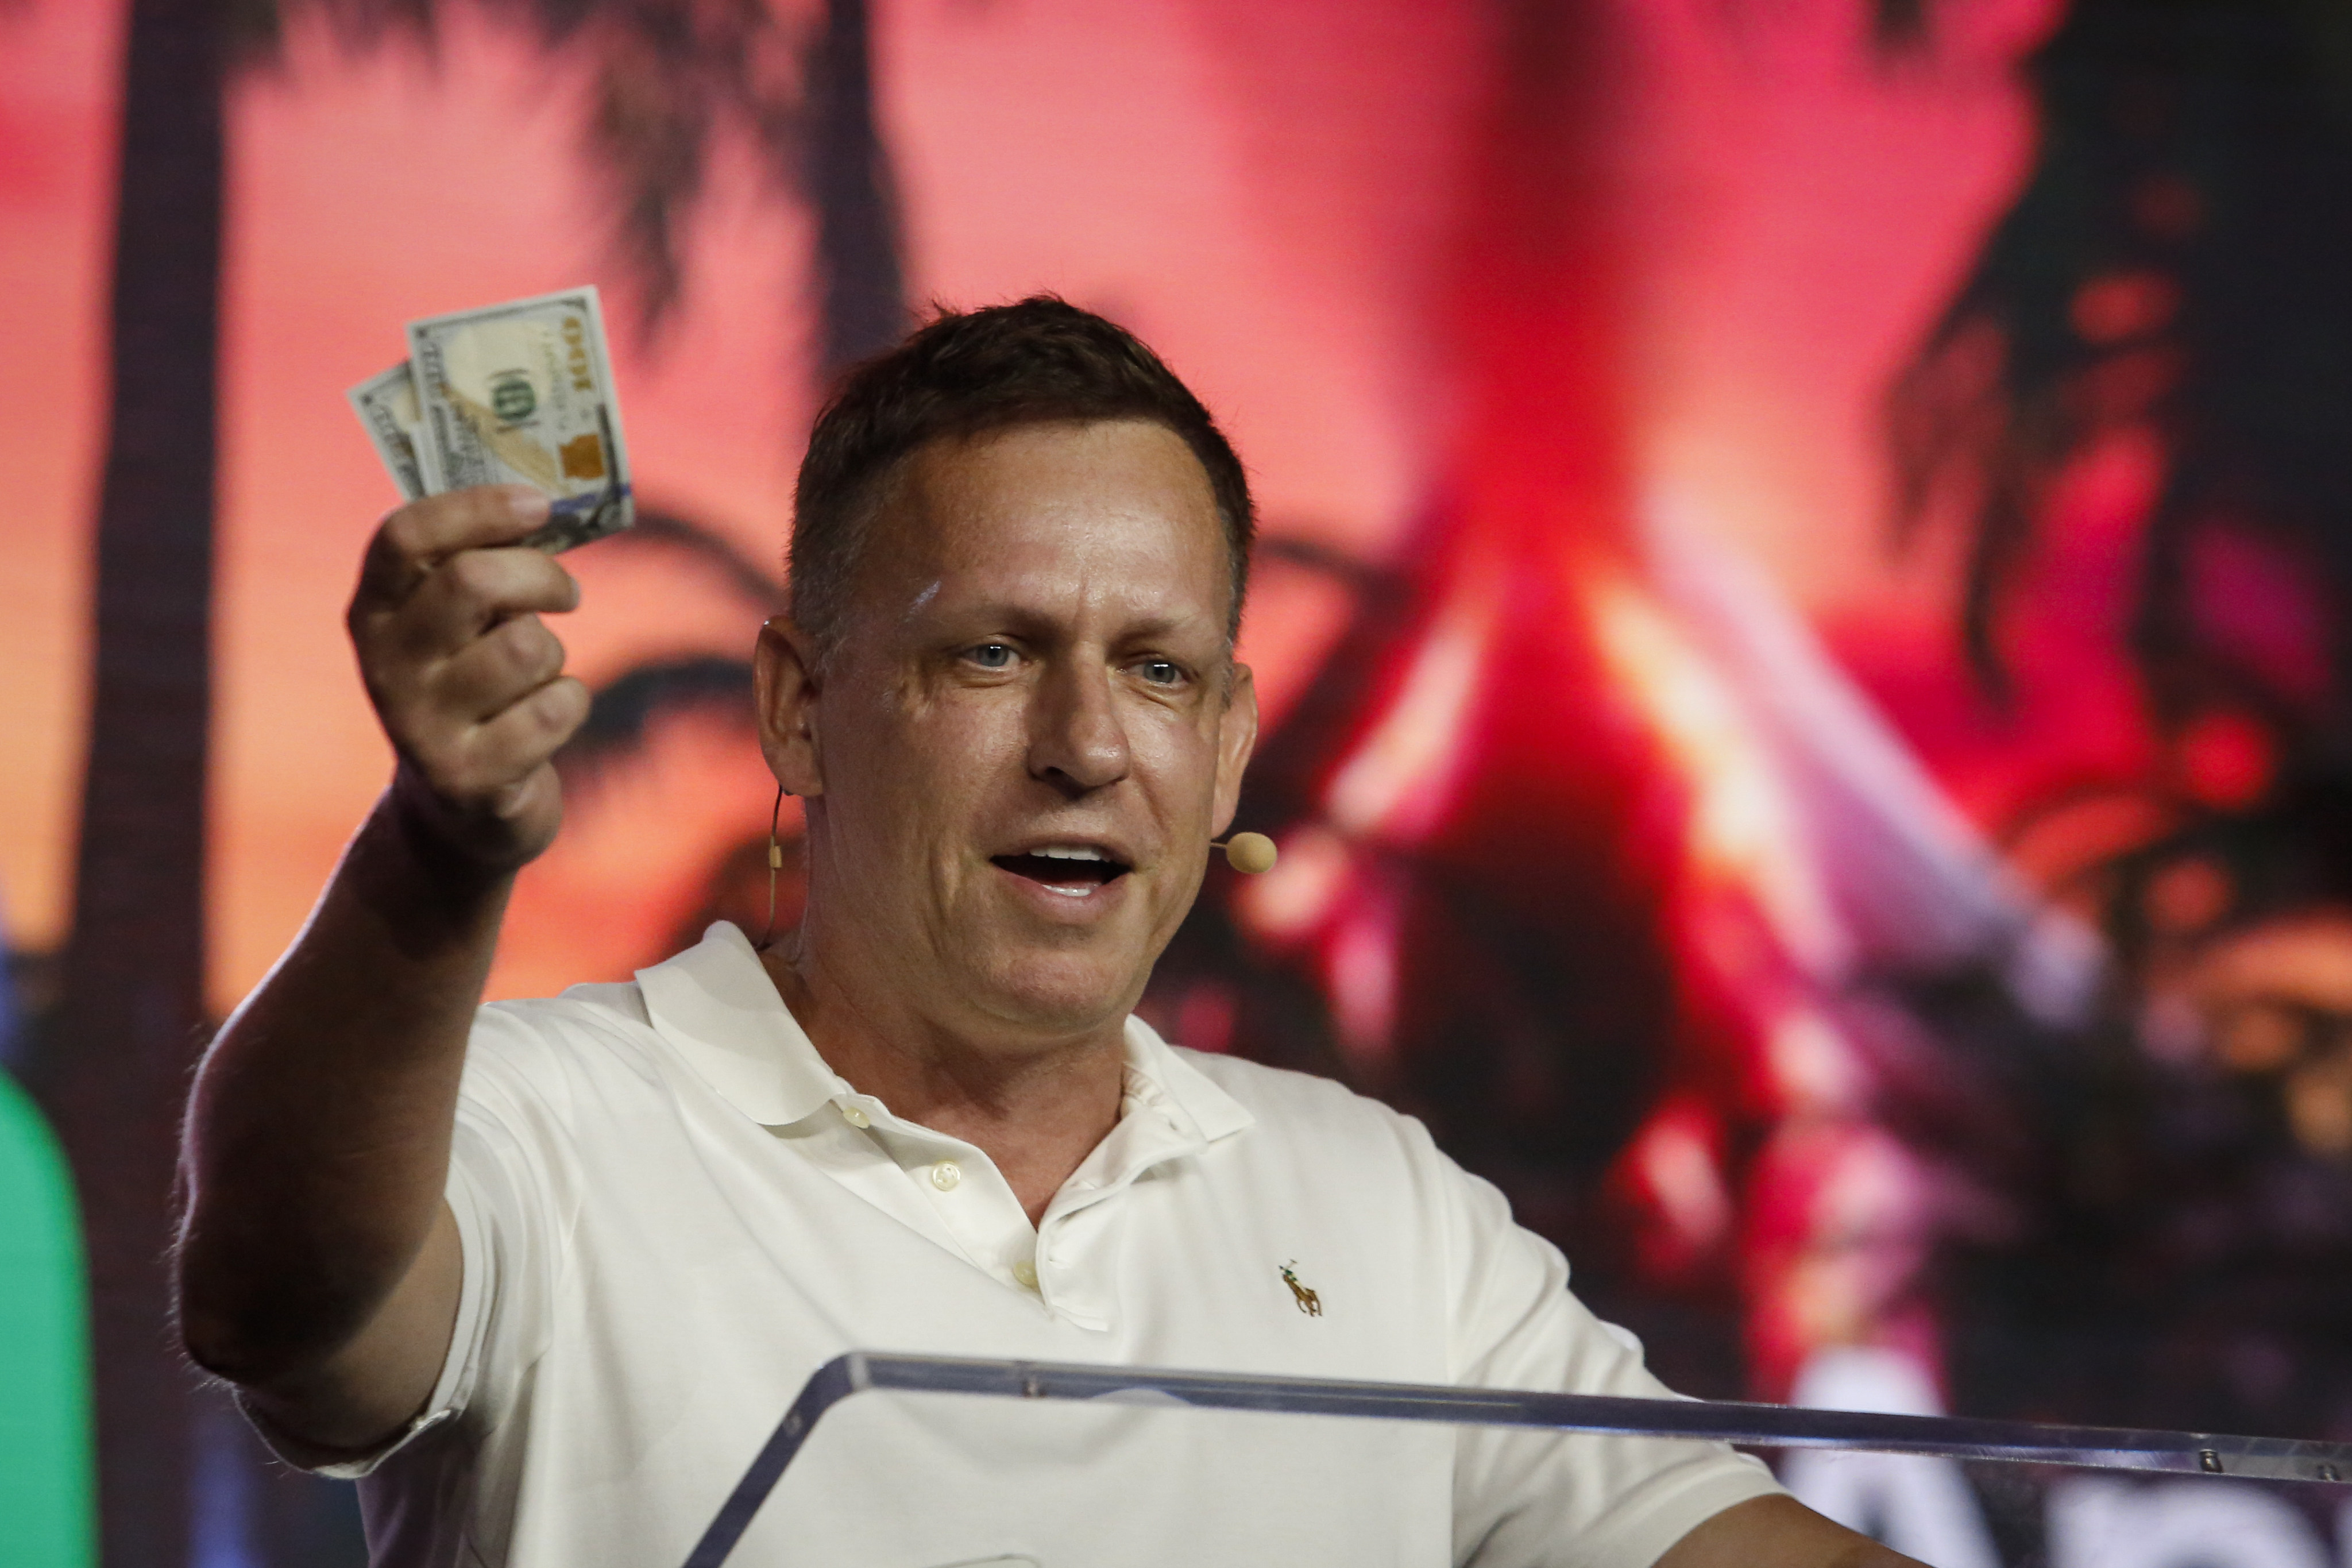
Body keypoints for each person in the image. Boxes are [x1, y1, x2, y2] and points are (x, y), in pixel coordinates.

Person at [176, 298, 1917, 1567]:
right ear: (799, 709)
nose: (1088, 745)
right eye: (991, 653)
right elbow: (276, 1297)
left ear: (1230, 743)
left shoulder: (1378, 1206)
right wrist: (435, 854)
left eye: (1158, 670)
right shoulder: (548, 1125)